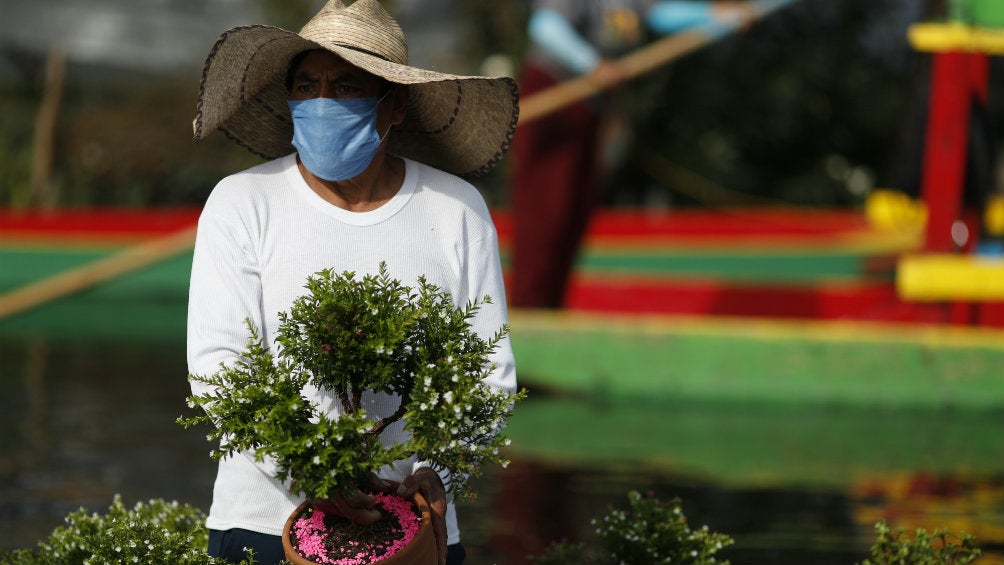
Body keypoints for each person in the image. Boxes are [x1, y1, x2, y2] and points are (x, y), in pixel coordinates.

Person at [186, 1, 519, 564]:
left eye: (346, 87)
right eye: (306, 85)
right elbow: (219, 365)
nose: (321, 103)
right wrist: (317, 470)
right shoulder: (242, 204)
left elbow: (487, 373)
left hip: (413, 530)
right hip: (268, 523)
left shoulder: (455, 211)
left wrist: (435, 472)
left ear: (396, 106)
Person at [509, 0, 757, 308]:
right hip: (555, 98)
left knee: (576, 211)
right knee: (547, 212)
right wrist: (591, 63)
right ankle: (528, 310)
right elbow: (544, 26)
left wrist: (713, 16)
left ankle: (550, 308)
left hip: (592, 103)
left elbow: (661, 15)